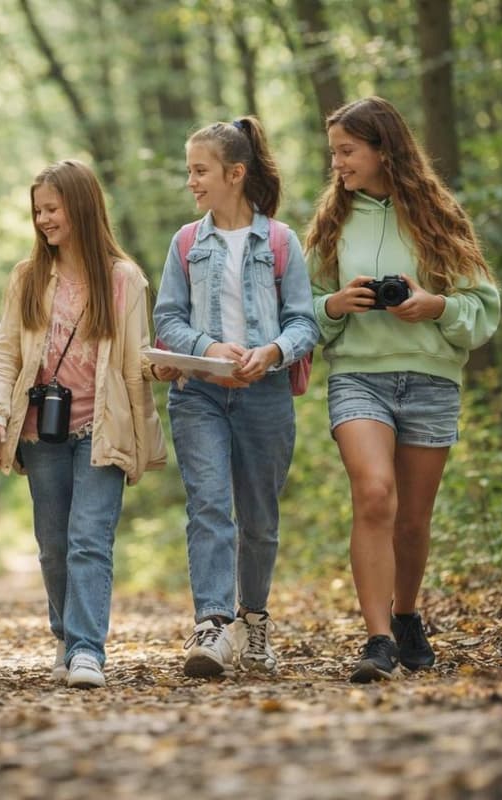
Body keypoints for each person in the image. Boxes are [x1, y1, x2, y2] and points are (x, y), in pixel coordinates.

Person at [306, 96, 500, 683]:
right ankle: (378, 640)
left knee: (412, 521)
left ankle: (406, 614)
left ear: (383, 150)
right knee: (374, 494)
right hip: (357, 375)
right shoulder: (332, 223)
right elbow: (297, 313)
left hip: (430, 377)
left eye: (347, 151)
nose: (337, 164)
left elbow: (482, 309)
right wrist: (334, 305)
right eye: (334, 153)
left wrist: (435, 306)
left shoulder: (440, 216)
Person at [0, 159, 166, 690]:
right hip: (42, 434)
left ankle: (86, 650)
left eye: (52, 209)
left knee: (89, 540)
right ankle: (65, 634)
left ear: (81, 208)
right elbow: (6, 354)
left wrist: (162, 367)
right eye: (38, 211)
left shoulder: (123, 279)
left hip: (103, 431)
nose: (43, 220)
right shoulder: (28, 277)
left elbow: (138, 358)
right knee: (53, 545)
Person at [152, 117, 319, 679]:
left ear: (235, 173)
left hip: (265, 395)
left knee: (260, 520)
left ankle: (254, 619)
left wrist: (271, 352)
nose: (191, 181)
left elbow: (304, 322)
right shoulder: (185, 243)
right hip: (199, 393)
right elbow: (167, 320)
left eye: (200, 171)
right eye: (190, 171)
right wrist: (207, 348)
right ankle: (212, 623)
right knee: (208, 505)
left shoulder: (280, 242)